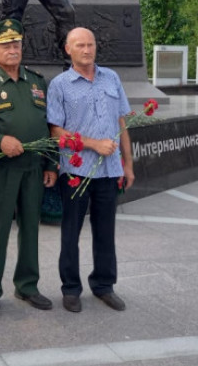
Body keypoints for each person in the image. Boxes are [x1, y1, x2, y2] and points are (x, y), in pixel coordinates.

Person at [0, 19, 56, 318]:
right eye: (5, 45)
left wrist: (51, 163)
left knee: (31, 227)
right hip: (1, 168)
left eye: (16, 44)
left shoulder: (37, 82)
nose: (12, 49)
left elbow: (49, 125)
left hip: (33, 167)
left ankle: (27, 285)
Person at [46, 27, 135, 314]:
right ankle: (71, 289)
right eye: (80, 45)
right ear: (68, 49)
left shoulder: (111, 78)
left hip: (109, 170)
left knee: (106, 231)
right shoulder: (59, 85)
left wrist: (128, 164)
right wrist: (93, 144)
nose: (87, 50)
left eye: (91, 44)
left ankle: (104, 285)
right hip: (76, 171)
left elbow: (121, 122)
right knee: (71, 232)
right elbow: (55, 131)